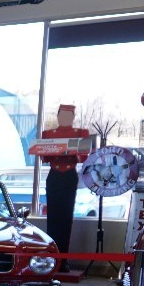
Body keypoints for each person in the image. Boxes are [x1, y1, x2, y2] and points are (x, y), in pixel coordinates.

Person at [39, 104, 89, 265]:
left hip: (69, 176)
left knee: (66, 217)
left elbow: (84, 156)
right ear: (58, 116)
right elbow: (43, 157)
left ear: (73, 117)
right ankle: (52, 259)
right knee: (52, 216)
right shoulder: (48, 134)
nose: (65, 118)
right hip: (54, 175)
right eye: (62, 115)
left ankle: (63, 259)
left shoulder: (81, 133)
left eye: (69, 115)